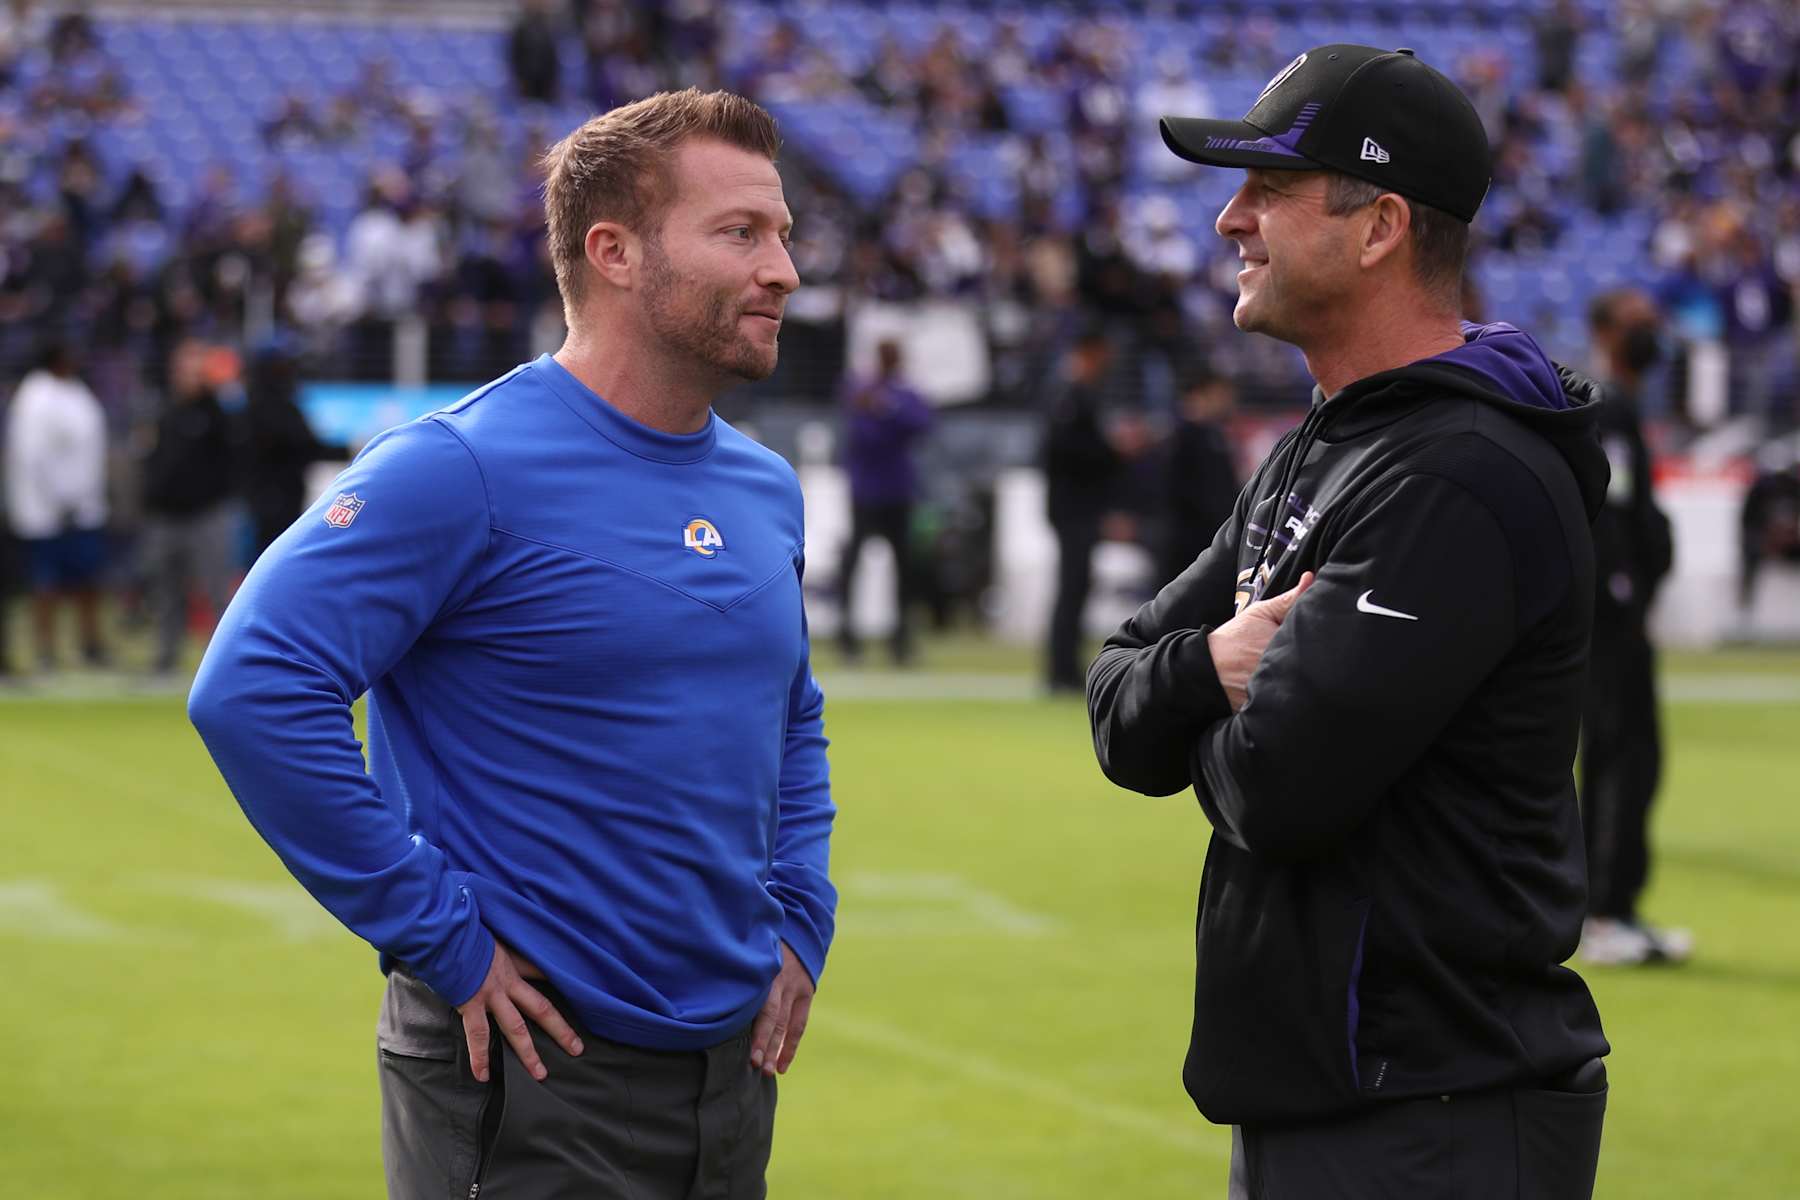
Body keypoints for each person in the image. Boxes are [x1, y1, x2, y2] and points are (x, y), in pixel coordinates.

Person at [188, 89, 834, 1200]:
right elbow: (254, 687)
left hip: (730, 1078)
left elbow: (790, 710)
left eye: (781, 234)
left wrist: (802, 914)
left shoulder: (762, 487)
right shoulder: (460, 467)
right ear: (614, 251)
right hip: (531, 1071)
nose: (782, 269)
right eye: (740, 233)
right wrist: (437, 932)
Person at [1087, 46, 1612, 1198]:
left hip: (1434, 1114)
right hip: (1341, 1100)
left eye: (1269, 190)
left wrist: (1204, 711)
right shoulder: (1323, 448)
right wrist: (1214, 667)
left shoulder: (1459, 474)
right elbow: (1118, 703)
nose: (1231, 220)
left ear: (1378, 227)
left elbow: (1282, 787)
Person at [1578, 289, 1686, 966]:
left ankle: (1619, 906)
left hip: (1624, 619)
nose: (1651, 335)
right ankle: (1603, 913)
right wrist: (1621, 591)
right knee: (1620, 756)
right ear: (1607, 331)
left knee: (1637, 758)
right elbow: (1609, 515)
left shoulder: (1623, 406)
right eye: (1638, 325)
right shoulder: (1604, 407)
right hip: (1610, 624)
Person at [3, 341, 109, 671]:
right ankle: (45, 649)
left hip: (84, 508)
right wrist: (61, 499)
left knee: (87, 579)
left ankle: (90, 644)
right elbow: (33, 456)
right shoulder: (36, 397)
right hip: (48, 512)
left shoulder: (76, 391)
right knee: (45, 582)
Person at [138, 339, 238, 675]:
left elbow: (233, 456)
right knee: (166, 592)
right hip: (166, 515)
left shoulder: (216, 412)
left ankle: (224, 664)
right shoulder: (164, 410)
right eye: (184, 367)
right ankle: (166, 657)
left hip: (206, 514)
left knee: (215, 589)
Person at [836, 337, 933, 664]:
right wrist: (887, 418)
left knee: (904, 568)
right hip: (867, 491)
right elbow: (865, 436)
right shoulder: (861, 390)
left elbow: (924, 423)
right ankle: (847, 637)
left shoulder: (898, 394)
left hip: (896, 492)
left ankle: (900, 641)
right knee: (853, 564)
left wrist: (885, 410)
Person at [1043, 325, 1126, 693]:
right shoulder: (1069, 393)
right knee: (1072, 585)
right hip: (1073, 506)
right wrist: (1112, 451)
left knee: (1076, 585)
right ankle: (1060, 670)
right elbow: (1061, 451)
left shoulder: (1079, 393)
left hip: (1078, 505)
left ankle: (1066, 666)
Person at [240, 337, 348, 556]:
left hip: (271, 495)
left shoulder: (261, 403)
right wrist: (349, 451)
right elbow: (303, 445)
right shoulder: (272, 406)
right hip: (274, 498)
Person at [1160, 368, 1239, 588]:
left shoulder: (1214, 435)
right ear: (1202, 393)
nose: (1227, 401)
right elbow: (1175, 488)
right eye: (1221, 394)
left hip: (1212, 535)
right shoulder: (1180, 435)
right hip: (1187, 538)